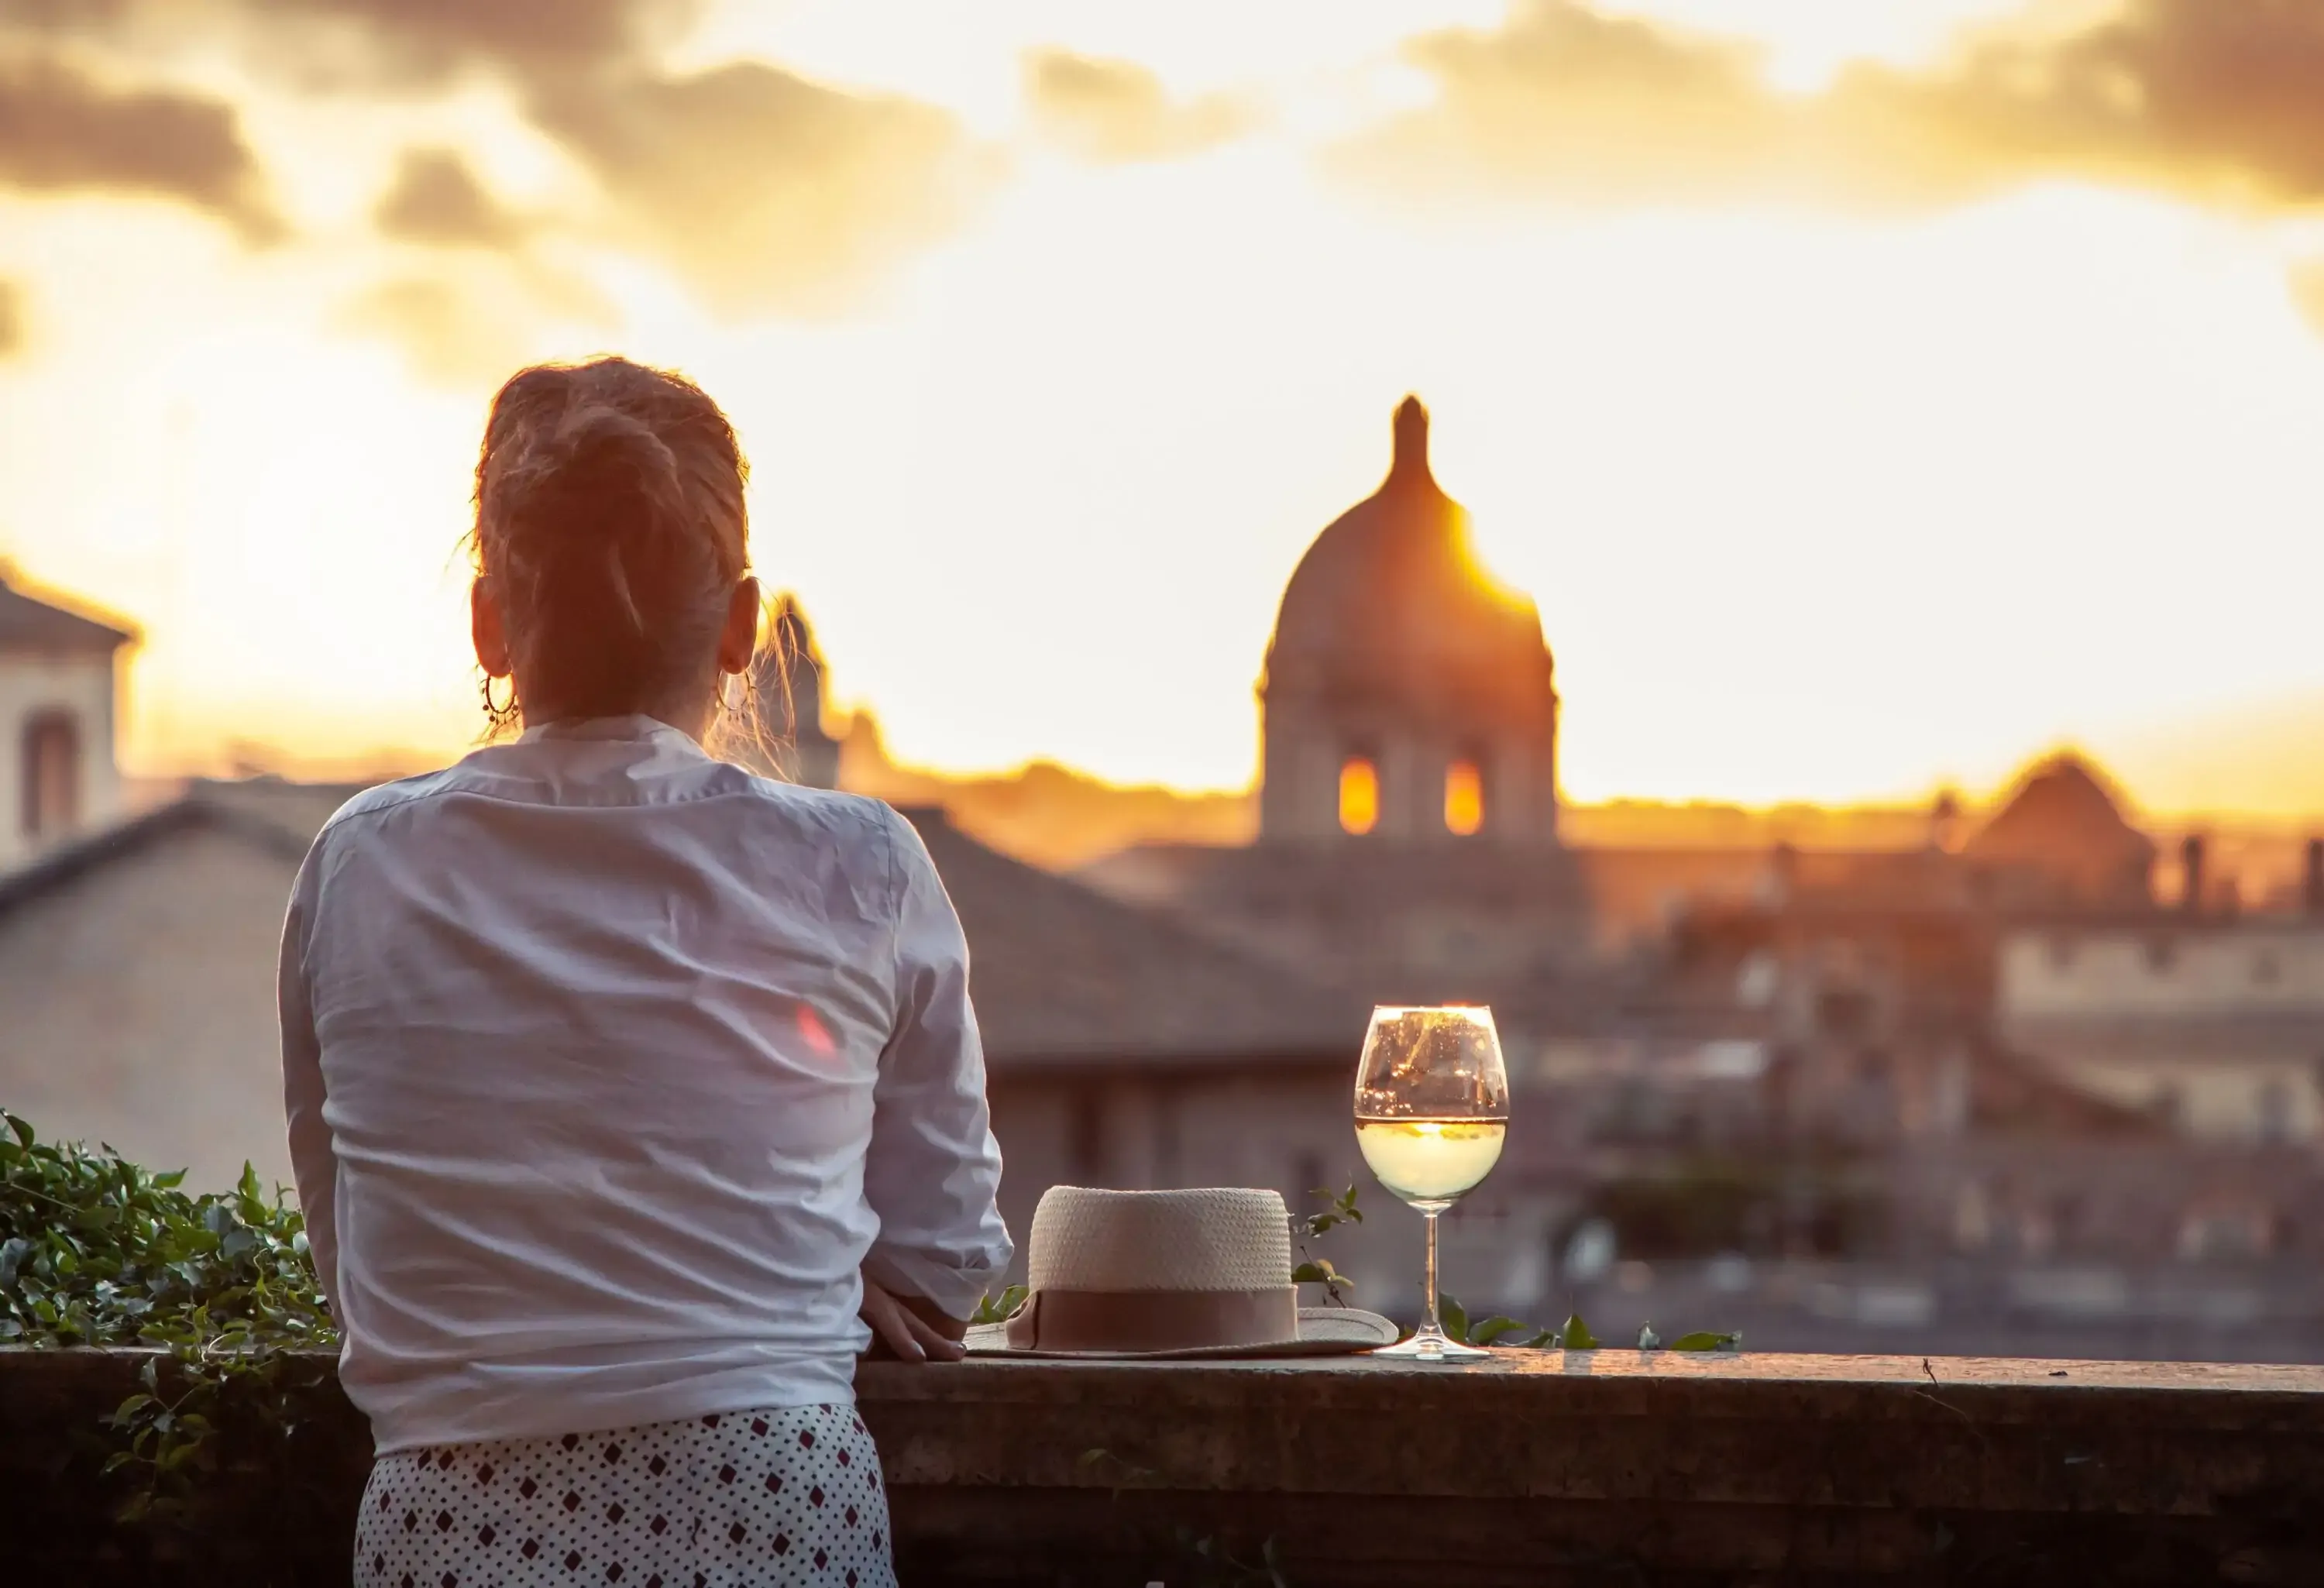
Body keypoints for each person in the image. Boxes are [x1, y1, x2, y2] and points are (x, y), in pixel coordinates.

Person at [280, 356, 1010, 1588]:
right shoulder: (863, 865)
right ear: (740, 624)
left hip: (450, 1536)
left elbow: (355, 1263)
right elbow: (945, 1268)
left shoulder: (358, 868)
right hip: (777, 1520)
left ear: (488, 622)